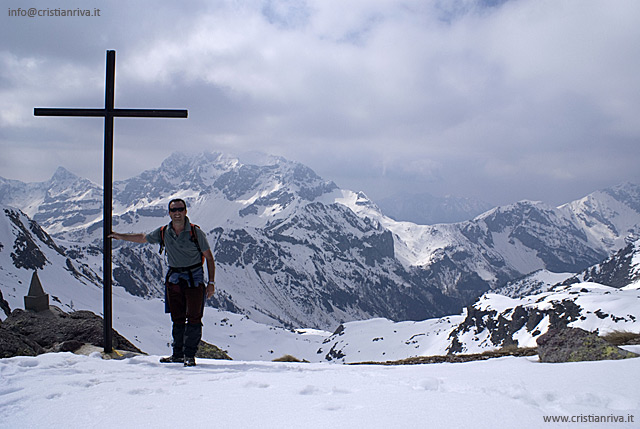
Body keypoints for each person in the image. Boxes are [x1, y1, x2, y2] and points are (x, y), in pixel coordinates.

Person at [110, 198, 215, 367]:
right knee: (178, 318)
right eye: (174, 210)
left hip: (194, 279)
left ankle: (189, 355)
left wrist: (211, 283)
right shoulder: (164, 232)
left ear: (186, 211)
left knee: (194, 318)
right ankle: (178, 355)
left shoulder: (195, 233)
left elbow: (209, 258)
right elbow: (143, 238)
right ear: (169, 213)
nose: (177, 213)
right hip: (175, 279)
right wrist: (119, 236)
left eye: (180, 209)